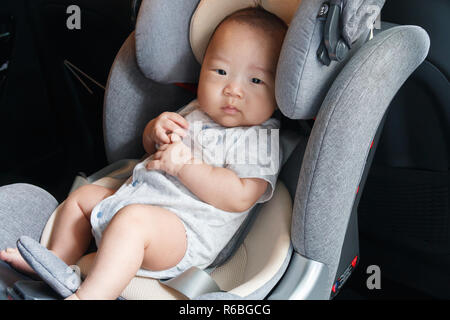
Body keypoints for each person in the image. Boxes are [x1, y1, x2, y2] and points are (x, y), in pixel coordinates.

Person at [0, 6, 287, 300]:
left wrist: (185, 166)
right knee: (82, 199)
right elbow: (152, 151)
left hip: (183, 234)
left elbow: (240, 195)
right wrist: (154, 130)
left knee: (132, 224)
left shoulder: (259, 137)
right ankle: (55, 260)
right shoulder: (198, 111)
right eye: (221, 71)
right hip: (135, 198)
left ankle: (91, 296)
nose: (232, 90)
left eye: (255, 80)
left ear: (279, 91)